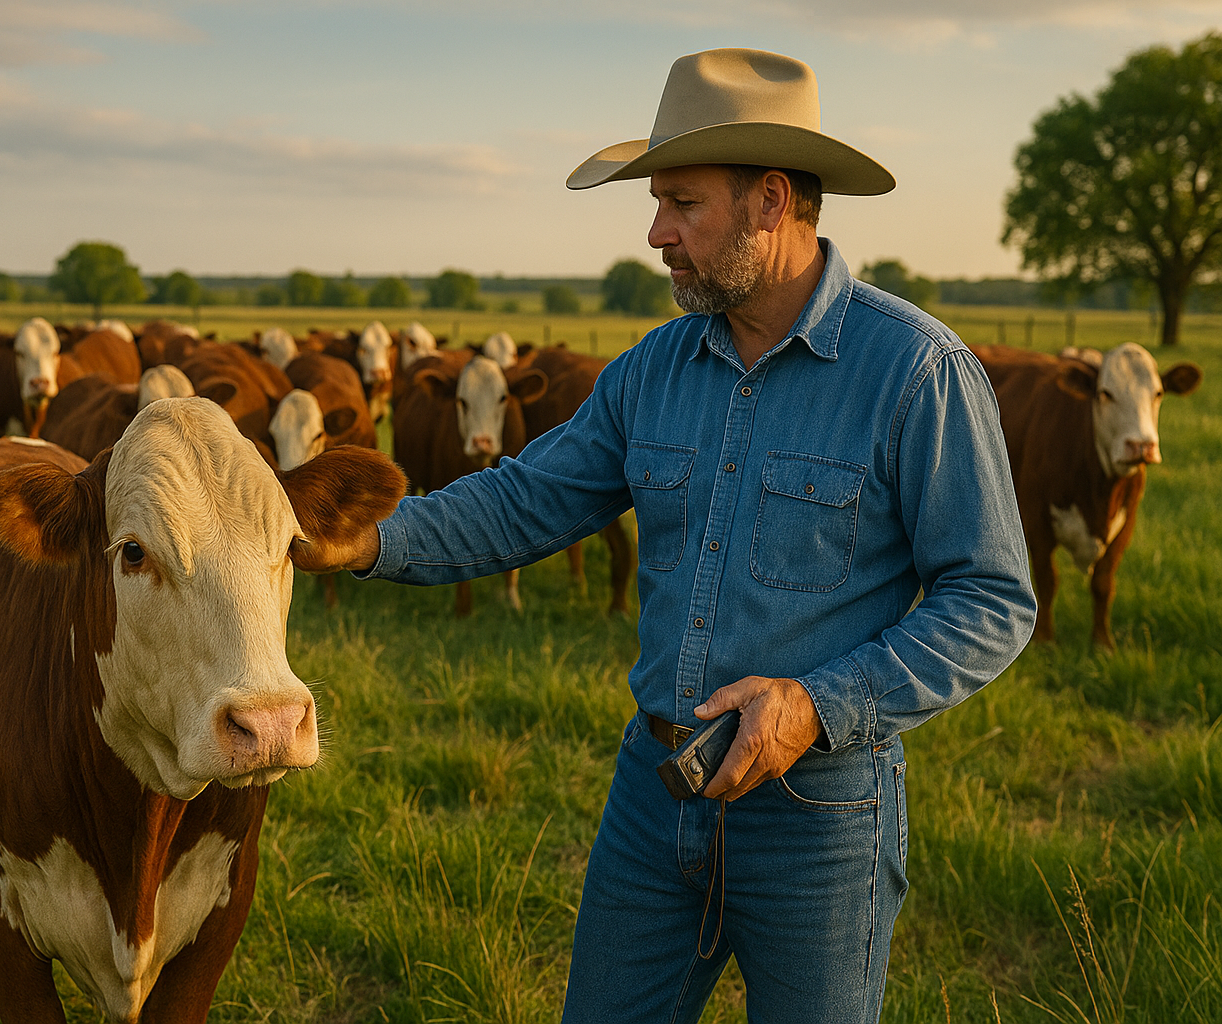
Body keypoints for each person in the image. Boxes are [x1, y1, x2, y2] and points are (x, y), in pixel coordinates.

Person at [292, 48, 1036, 1024]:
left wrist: (815, 703)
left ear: (771, 200)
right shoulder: (652, 370)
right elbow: (526, 500)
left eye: (681, 203)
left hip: (820, 815)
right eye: (657, 205)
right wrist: (362, 540)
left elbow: (992, 599)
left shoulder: (917, 371)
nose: (655, 233)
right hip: (654, 798)